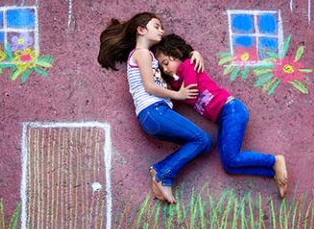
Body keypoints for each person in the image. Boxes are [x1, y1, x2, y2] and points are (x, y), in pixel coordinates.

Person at [152, 34, 288, 197]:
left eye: (166, 63)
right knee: (229, 165)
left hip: (231, 110)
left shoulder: (187, 65)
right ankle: (272, 172)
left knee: (233, 158)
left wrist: (191, 55)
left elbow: (191, 93)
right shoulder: (175, 82)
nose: (165, 69)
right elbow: (177, 93)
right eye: (162, 67)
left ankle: (274, 160)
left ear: (176, 53)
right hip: (223, 119)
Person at [98, 13, 212, 204]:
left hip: (154, 116)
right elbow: (150, 87)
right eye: (157, 26)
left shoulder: (148, 55)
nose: (162, 30)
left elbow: (172, 54)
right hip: (154, 111)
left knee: (204, 144)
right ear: (141, 30)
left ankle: (160, 169)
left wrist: (193, 53)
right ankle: (163, 175)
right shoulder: (141, 54)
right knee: (201, 139)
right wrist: (179, 95)